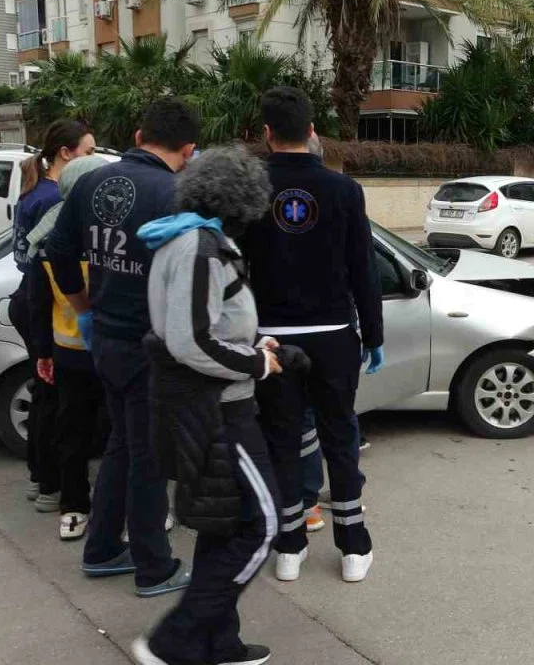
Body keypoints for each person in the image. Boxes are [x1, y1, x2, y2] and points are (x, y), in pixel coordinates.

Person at [132, 146, 292, 665]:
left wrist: (255, 346)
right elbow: (192, 341)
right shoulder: (201, 249)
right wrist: (258, 363)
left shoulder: (191, 240)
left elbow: (206, 326)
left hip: (210, 403)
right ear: (242, 202)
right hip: (220, 409)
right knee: (263, 524)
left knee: (224, 523)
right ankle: (174, 638)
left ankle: (218, 643)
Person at [47, 98, 198, 598]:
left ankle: (103, 548)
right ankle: (154, 567)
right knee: (150, 457)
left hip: (106, 337)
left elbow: (59, 252)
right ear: (189, 149)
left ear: (138, 136)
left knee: (122, 446)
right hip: (150, 346)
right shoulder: (176, 193)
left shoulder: (90, 181)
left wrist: (85, 308)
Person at [243, 86, 384, 583]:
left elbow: (235, 268)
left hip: (271, 339)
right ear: (311, 131)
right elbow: (363, 268)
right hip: (333, 334)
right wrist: (374, 334)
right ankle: (353, 546)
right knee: (339, 435)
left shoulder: (250, 188)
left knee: (283, 440)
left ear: (267, 134)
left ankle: (290, 546)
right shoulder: (344, 190)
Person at [9, 119, 96, 509]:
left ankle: (43, 479)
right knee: (53, 397)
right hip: (44, 302)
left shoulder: (38, 192)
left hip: (34, 297)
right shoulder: (55, 202)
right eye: (88, 152)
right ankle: (49, 482)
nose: (92, 159)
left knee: (47, 394)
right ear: (66, 152)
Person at [25, 154, 108, 540]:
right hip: (107, 351)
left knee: (73, 431)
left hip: (68, 350)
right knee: (120, 433)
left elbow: (37, 303)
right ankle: (117, 508)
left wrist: (43, 351)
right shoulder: (110, 233)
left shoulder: (44, 235)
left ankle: (73, 509)